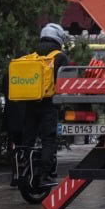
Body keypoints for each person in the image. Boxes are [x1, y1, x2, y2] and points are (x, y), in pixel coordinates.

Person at [21, 23, 70, 186]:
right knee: (48, 138)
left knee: (28, 137)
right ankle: (45, 175)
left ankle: (22, 167)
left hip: (30, 103)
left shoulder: (32, 56)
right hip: (49, 104)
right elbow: (67, 83)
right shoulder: (60, 57)